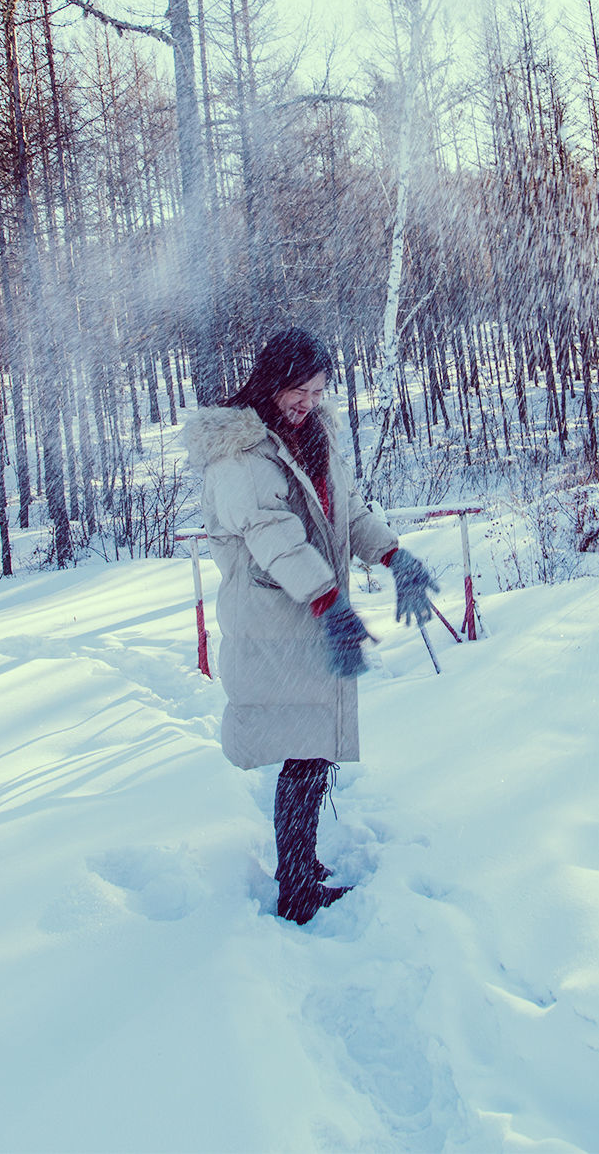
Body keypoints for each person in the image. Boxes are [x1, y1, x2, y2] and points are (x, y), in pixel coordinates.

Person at [181, 328, 440, 925]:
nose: (309, 401)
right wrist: (327, 600)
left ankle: (302, 868)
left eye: (319, 391)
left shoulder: (311, 435)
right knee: (303, 749)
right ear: (273, 383)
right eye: (300, 390)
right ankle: (296, 888)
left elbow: (345, 509)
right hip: (276, 618)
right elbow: (275, 534)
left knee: (313, 746)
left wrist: (393, 555)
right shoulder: (239, 455)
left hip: (309, 613)